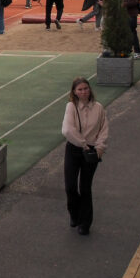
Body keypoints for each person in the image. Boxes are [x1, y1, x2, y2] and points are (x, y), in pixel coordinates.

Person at [61, 78, 109, 235]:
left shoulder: (99, 108)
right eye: (80, 89)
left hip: (92, 152)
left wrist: (99, 148)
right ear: (74, 92)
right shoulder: (71, 107)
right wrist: (83, 144)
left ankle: (85, 223)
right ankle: (74, 214)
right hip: (75, 149)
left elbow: (104, 129)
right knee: (70, 186)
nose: (83, 92)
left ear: (90, 90)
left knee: (85, 187)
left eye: (86, 88)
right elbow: (67, 130)